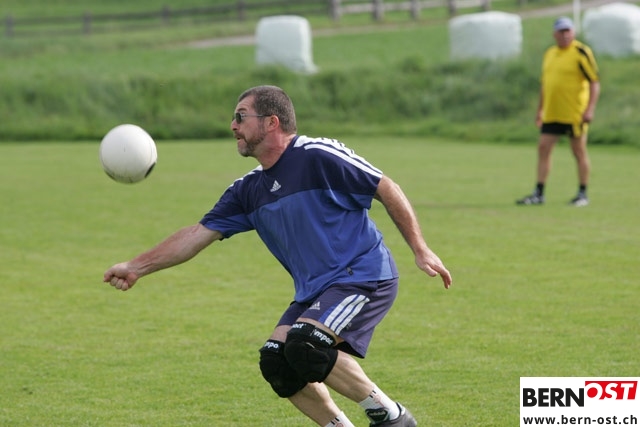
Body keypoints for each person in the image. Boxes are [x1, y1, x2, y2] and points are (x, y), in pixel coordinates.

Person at [103, 85, 452, 427]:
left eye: (241, 116)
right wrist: (136, 267)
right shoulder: (247, 190)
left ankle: (392, 417)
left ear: (272, 122)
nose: (233, 126)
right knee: (277, 362)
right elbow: (195, 235)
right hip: (315, 290)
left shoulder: (317, 155)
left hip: (362, 276)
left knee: (305, 345)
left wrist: (420, 248)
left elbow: (385, 186)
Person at [516, 16, 600, 207]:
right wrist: (540, 109)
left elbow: (594, 82)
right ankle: (539, 193)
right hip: (552, 112)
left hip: (574, 112)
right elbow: (545, 84)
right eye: (561, 31)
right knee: (543, 148)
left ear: (573, 32)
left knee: (578, 151)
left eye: (567, 31)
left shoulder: (581, 52)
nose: (565, 35)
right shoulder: (550, 53)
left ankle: (582, 193)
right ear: (554, 34)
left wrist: (590, 109)